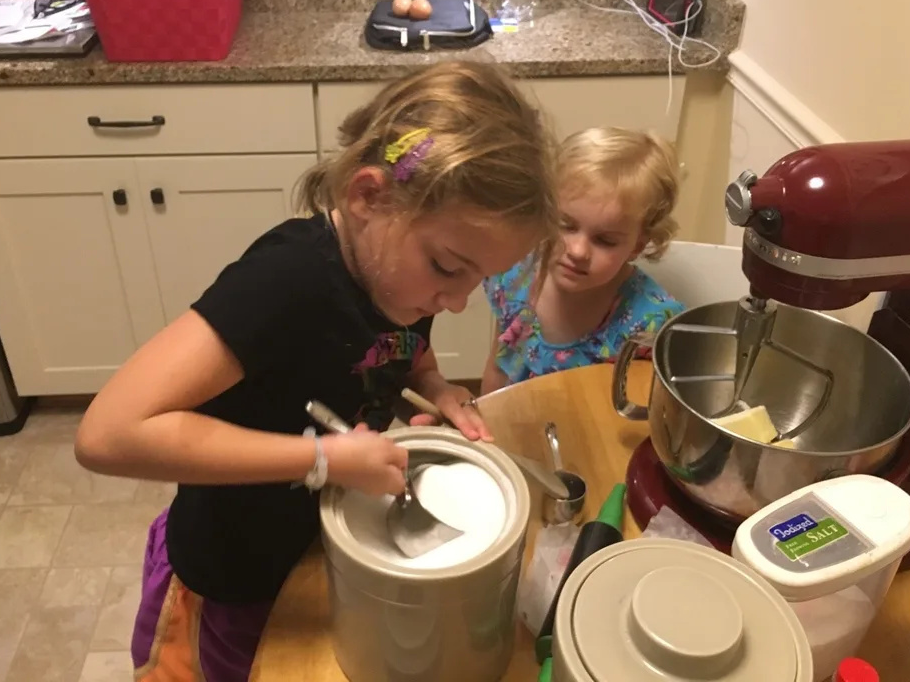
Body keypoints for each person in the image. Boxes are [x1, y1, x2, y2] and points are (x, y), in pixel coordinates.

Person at [74, 60, 556, 682]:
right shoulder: (286, 282)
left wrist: (436, 385)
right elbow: (108, 434)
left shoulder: (398, 280)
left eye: (479, 279)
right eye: (446, 267)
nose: (459, 300)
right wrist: (323, 461)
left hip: (314, 548)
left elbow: (406, 344)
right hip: (234, 570)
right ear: (367, 197)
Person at [482, 126, 686, 394]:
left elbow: (648, 415)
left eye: (605, 241)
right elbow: (497, 369)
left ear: (637, 245)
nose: (578, 251)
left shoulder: (649, 323)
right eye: (565, 224)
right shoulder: (515, 275)